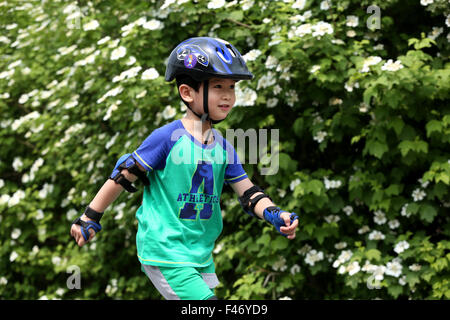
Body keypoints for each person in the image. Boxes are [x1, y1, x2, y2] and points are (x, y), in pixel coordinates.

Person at [70, 37, 299, 300]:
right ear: (187, 92)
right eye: (217, 86)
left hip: (199, 252)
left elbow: (249, 194)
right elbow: (123, 175)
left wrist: (274, 214)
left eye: (232, 87)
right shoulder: (167, 138)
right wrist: (90, 217)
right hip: (166, 251)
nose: (227, 95)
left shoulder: (224, 148)